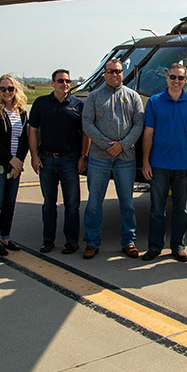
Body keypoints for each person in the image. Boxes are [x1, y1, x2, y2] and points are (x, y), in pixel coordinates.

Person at [81, 59, 144, 259]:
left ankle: (129, 241)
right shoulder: (94, 97)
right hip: (99, 158)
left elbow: (138, 124)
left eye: (117, 71)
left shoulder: (132, 97)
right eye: (110, 71)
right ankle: (92, 241)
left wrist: (122, 145)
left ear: (122, 73)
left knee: (127, 203)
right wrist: (106, 144)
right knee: (94, 202)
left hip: (125, 158)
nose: (114, 74)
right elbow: (87, 124)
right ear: (104, 74)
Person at [140, 63, 187, 263]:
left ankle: (178, 246)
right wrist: (145, 161)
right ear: (166, 78)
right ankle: (155, 247)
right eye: (173, 77)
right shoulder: (155, 102)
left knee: (181, 210)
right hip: (159, 164)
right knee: (157, 209)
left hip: (183, 166)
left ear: (186, 81)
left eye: (180, 78)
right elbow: (148, 133)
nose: (176, 81)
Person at [28, 69, 89, 254]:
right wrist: (34, 156)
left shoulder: (78, 105)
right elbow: (32, 131)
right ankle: (48, 240)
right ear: (52, 83)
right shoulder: (41, 103)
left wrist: (83, 156)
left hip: (70, 160)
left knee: (72, 204)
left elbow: (86, 133)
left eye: (68, 81)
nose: (65, 84)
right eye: (61, 81)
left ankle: (71, 241)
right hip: (47, 159)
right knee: (49, 204)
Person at [0, 75, 29, 256]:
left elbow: (24, 140)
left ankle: (5, 237)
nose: (7, 92)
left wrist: (19, 162)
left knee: (9, 203)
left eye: (10, 88)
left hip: (14, 165)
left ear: (16, 91)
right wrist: (11, 159)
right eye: (3, 89)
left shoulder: (22, 112)